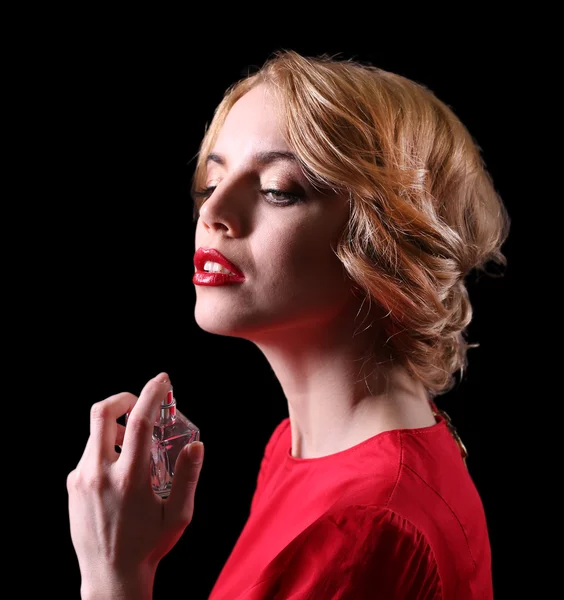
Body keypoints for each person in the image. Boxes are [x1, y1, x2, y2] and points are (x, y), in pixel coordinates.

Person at [67, 49, 510, 599]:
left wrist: (113, 573)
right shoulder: (301, 447)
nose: (213, 212)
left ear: (388, 243)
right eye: (211, 182)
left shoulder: (365, 527)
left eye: (279, 189)